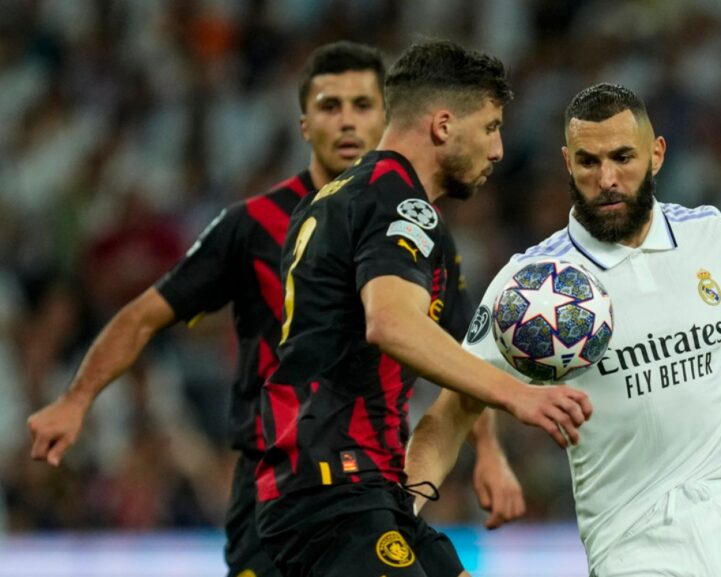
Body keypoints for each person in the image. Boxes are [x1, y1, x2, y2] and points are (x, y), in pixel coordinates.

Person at [26, 40, 524, 577]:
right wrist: (76, 398)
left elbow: (458, 353)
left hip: (368, 481)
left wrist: (488, 452)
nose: (349, 122)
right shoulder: (255, 224)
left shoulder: (415, 228)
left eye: (363, 105)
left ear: (386, 114)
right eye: (331, 106)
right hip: (295, 478)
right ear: (304, 124)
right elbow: (145, 314)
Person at [404, 83, 721, 577]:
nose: (607, 178)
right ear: (567, 163)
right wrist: (400, 514)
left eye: (623, 157)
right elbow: (452, 412)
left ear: (656, 154)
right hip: (637, 545)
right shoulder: (533, 289)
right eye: (588, 162)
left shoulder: (708, 235)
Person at [253, 40, 592, 577]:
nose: (499, 149)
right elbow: (391, 323)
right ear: (442, 125)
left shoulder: (336, 197)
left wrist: (410, 490)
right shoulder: (398, 202)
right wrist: (518, 396)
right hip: (331, 490)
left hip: (359, 491)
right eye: (490, 126)